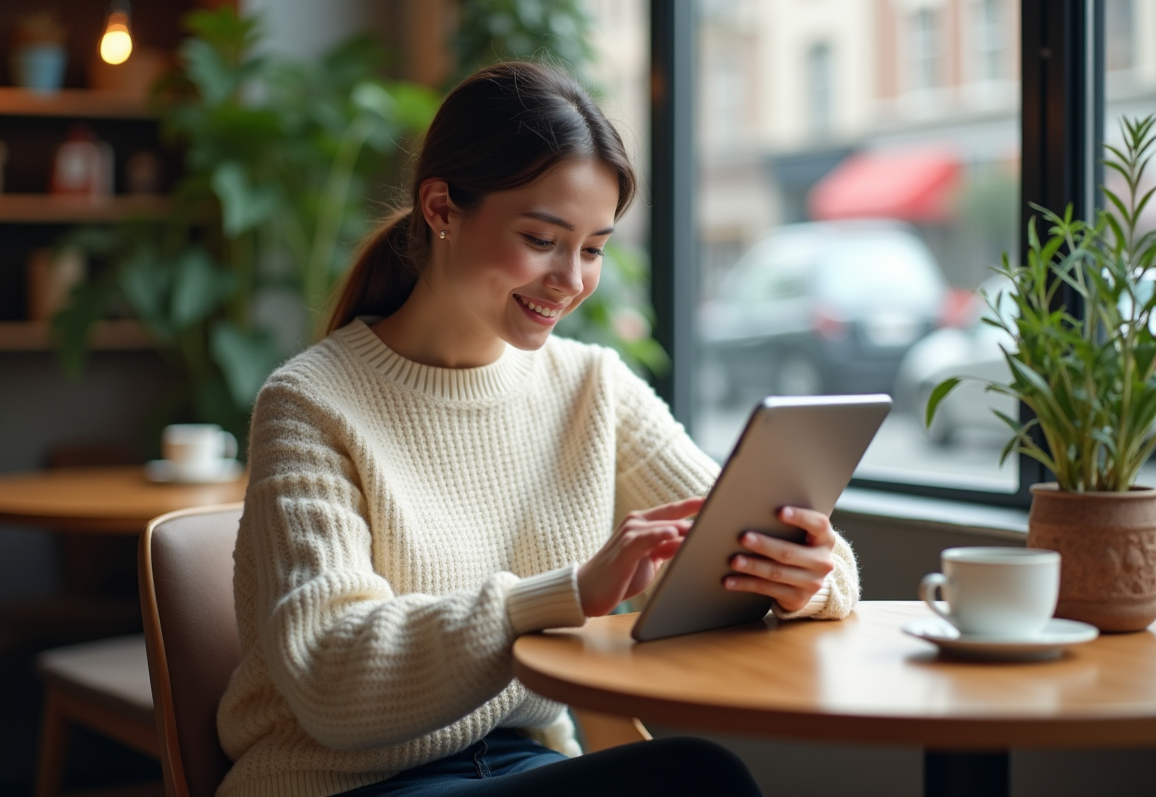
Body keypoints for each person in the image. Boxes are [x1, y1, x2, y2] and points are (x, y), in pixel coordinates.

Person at [215, 61, 860, 797]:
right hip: (341, 783)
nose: (571, 280)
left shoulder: (593, 386)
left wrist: (804, 578)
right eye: (541, 238)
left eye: (592, 248)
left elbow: (747, 531)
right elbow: (331, 680)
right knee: (698, 779)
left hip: (522, 764)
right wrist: (567, 592)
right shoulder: (310, 402)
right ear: (442, 208)